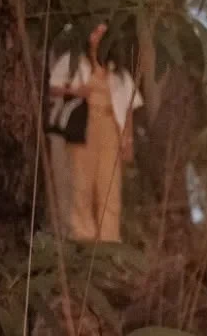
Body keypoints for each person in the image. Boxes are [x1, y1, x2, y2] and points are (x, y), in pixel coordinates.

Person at [47, 23, 142, 243]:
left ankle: (108, 239)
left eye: (102, 32)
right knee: (81, 180)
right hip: (82, 125)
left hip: (110, 127)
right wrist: (75, 91)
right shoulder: (74, 61)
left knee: (109, 184)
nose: (98, 36)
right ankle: (82, 237)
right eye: (94, 30)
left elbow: (128, 107)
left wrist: (127, 139)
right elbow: (53, 87)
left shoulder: (117, 71)